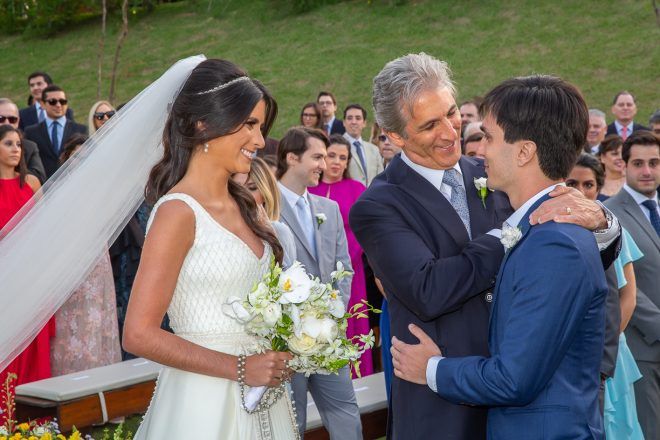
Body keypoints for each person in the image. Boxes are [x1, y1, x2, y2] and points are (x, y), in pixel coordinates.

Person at [349, 53, 619, 440]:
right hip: (441, 406)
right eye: (429, 125)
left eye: (451, 113)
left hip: (523, 399)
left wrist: (604, 223)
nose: (450, 132)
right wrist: (513, 230)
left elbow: (565, 255)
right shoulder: (378, 205)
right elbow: (429, 290)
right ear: (395, 136)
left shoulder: (497, 171)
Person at [122, 59, 297, 438]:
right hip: (203, 401)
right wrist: (241, 368)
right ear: (203, 124)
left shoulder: (247, 206)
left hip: (264, 396)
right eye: (249, 124)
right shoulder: (177, 212)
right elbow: (138, 333)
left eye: (260, 127)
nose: (259, 141)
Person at [276, 127, 361, 439]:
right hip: (284, 341)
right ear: (291, 158)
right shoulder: (263, 208)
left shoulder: (329, 209)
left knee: (347, 418)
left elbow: (344, 269)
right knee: (291, 423)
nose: (324, 166)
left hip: (327, 338)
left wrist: (331, 318)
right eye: (317, 157)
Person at [567, 153, 644, 440]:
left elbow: (628, 296)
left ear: (598, 187)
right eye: (573, 183)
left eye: (588, 184)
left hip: (609, 353)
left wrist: (602, 345)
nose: (581, 191)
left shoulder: (614, 228)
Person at [50, 134, 122, 376]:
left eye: (86, 157)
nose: (80, 162)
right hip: (67, 262)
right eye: (76, 156)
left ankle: (100, 375)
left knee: (97, 317)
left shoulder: (100, 191)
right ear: (67, 159)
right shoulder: (58, 191)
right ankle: (69, 373)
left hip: (97, 264)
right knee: (71, 319)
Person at [604, 130, 660, 440]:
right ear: (623, 165)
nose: (647, 171)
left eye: (654, 162)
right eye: (638, 163)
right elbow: (622, 283)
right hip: (642, 348)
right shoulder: (610, 213)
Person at [309, 134, 373, 378]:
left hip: (349, 271)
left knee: (352, 322)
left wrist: (344, 262)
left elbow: (363, 230)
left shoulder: (357, 189)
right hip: (314, 272)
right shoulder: (309, 190)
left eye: (343, 158)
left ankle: (357, 376)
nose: (336, 162)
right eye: (332, 156)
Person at [0, 125, 51, 425]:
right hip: (4, 278)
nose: (16, 149)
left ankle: (36, 418)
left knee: (34, 346)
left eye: (18, 144)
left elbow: (44, 226)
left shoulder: (31, 182)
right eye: (8, 143)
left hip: (31, 277)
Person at [232, 156, 297, 269]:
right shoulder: (220, 230)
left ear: (265, 194)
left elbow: (290, 276)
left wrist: (271, 238)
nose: (244, 195)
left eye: (252, 188)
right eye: (238, 188)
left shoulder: (279, 231)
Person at [23, 85, 87, 179]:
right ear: (42, 104)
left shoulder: (81, 130)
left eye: (62, 101)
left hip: (73, 181)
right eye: (52, 101)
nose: (58, 105)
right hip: (42, 184)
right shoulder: (31, 132)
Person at [0, 98, 46, 183]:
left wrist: (11, 168)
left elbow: (39, 178)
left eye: (12, 119)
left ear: (17, 122)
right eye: (1, 119)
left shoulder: (30, 147)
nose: (7, 123)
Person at [342, 104, 384, 186]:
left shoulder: (374, 149)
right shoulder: (336, 147)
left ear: (364, 123)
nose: (354, 122)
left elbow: (381, 178)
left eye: (358, 118)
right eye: (349, 118)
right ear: (344, 122)